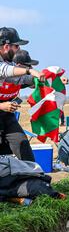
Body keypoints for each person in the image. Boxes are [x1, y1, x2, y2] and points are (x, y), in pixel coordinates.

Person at [0, 29, 44, 161]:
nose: (18, 49)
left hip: (6, 116)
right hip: (2, 108)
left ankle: (33, 176)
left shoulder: (9, 63)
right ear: (7, 46)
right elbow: (4, 71)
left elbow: (18, 79)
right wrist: (30, 71)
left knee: (21, 143)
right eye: (17, 46)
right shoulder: (4, 66)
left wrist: (49, 78)